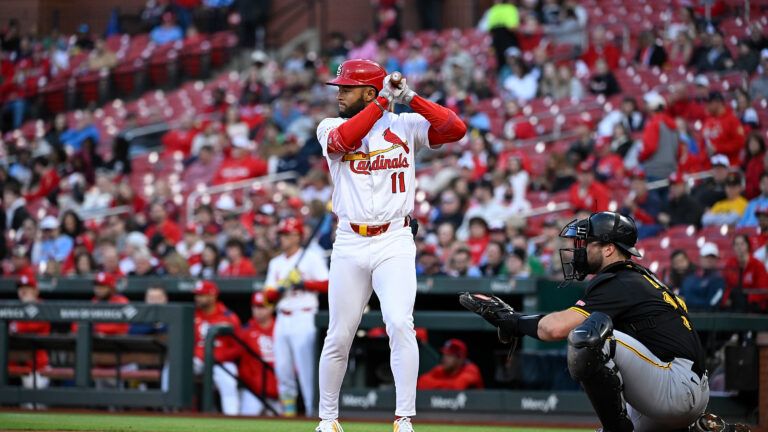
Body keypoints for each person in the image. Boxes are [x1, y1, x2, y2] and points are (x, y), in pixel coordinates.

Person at [459, 211, 739, 432]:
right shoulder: (639, 277)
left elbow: (554, 328)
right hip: (680, 388)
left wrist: (512, 321)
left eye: (587, 242)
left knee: (588, 337)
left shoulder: (618, 279)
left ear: (609, 249)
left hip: (675, 387)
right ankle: (699, 429)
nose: (579, 250)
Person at [315, 58, 466, 432]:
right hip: (350, 240)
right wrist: (383, 102)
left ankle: (403, 419)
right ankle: (328, 420)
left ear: (368, 91)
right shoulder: (330, 125)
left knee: (400, 323)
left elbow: (456, 129)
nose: (339, 94)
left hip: (395, 238)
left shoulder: (405, 124)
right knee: (339, 333)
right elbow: (343, 142)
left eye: (347, 88)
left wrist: (410, 97)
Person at [265, 218, 329, 417]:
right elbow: (267, 297)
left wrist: (304, 283)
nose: (282, 238)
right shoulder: (275, 262)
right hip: (282, 318)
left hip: (304, 316)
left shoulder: (311, 257)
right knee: (283, 370)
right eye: (281, 234)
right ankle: (288, 416)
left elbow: (328, 284)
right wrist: (280, 288)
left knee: (307, 372)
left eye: (287, 234)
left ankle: (313, 414)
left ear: (297, 237)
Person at [192, 280, 241, 415]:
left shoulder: (229, 317)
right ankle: (172, 413)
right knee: (175, 370)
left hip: (221, 361)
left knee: (229, 380)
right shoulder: (192, 314)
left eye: (202, 295)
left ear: (213, 296)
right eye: (197, 295)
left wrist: (218, 357)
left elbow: (238, 348)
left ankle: (232, 421)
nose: (198, 298)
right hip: (197, 360)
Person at [237, 291, 281, 416]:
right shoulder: (245, 331)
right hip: (253, 390)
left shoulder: (281, 328)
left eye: (262, 307)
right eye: (255, 307)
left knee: (284, 424)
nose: (258, 311)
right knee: (246, 422)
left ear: (272, 307)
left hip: (279, 391)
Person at [9, 273, 51, 394]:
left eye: (27, 288)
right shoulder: (13, 308)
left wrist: (15, 326)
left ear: (35, 291)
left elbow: (31, 326)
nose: (23, 291)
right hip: (11, 362)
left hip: (36, 365)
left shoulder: (43, 307)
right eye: (21, 288)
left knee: (35, 399)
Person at [721, 234, 768, 313]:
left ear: (748, 246)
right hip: (734, 304)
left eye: (742, 244)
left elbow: (762, 290)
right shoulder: (730, 264)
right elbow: (726, 285)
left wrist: (747, 299)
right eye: (737, 244)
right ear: (734, 247)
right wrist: (726, 299)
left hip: (754, 305)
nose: (739, 247)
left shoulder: (757, 265)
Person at [417, 338, 483, 390]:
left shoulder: (471, 370)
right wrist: (445, 384)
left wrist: (436, 385)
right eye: (444, 354)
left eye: (449, 355)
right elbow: (420, 383)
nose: (444, 358)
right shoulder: (441, 369)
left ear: (460, 359)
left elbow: (456, 387)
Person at [680, 243, 726, 312]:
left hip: (707, 318)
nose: (709, 260)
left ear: (716, 259)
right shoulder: (689, 279)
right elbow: (680, 299)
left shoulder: (718, 280)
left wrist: (687, 301)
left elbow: (712, 304)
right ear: (700, 257)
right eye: (706, 256)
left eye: (712, 257)